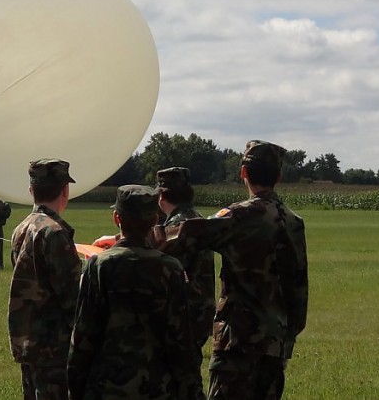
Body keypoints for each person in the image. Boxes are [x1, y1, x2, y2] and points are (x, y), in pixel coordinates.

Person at [68, 184, 201, 400]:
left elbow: (83, 334)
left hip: (106, 386)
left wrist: (75, 387)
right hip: (156, 387)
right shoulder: (171, 268)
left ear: (116, 218)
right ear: (153, 220)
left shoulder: (99, 266)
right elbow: (181, 340)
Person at [205, 140, 309, 400]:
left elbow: (186, 237)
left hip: (237, 343)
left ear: (243, 173)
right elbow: (298, 290)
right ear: (279, 176)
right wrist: (286, 338)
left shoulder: (236, 216)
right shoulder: (293, 222)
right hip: (274, 345)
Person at [7, 159, 82, 400]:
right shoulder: (54, 232)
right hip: (53, 347)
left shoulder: (21, 228)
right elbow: (72, 297)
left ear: (31, 191)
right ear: (65, 190)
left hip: (28, 340)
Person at [155, 167, 215, 399]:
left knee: (181, 383)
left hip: (182, 317)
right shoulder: (197, 219)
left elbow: (157, 249)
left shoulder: (179, 225)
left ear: (161, 196)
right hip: (200, 312)